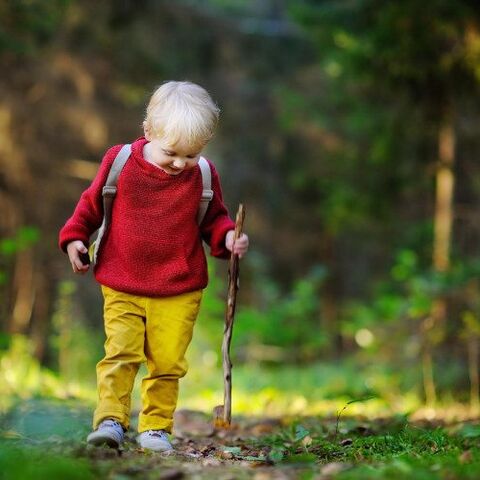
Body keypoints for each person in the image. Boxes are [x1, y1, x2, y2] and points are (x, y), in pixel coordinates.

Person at [58, 81, 249, 452]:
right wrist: (74, 237)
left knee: (167, 363)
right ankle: (111, 420)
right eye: (172, 153)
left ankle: (155, 428)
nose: (181, 164)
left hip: (179, 287)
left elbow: (215, 221)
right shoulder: (121, 162)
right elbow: (90, 204)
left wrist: (228, 239)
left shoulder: (204, 175)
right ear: (149, 132)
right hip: (121, 281)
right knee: (120, 354)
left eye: (191, 156)